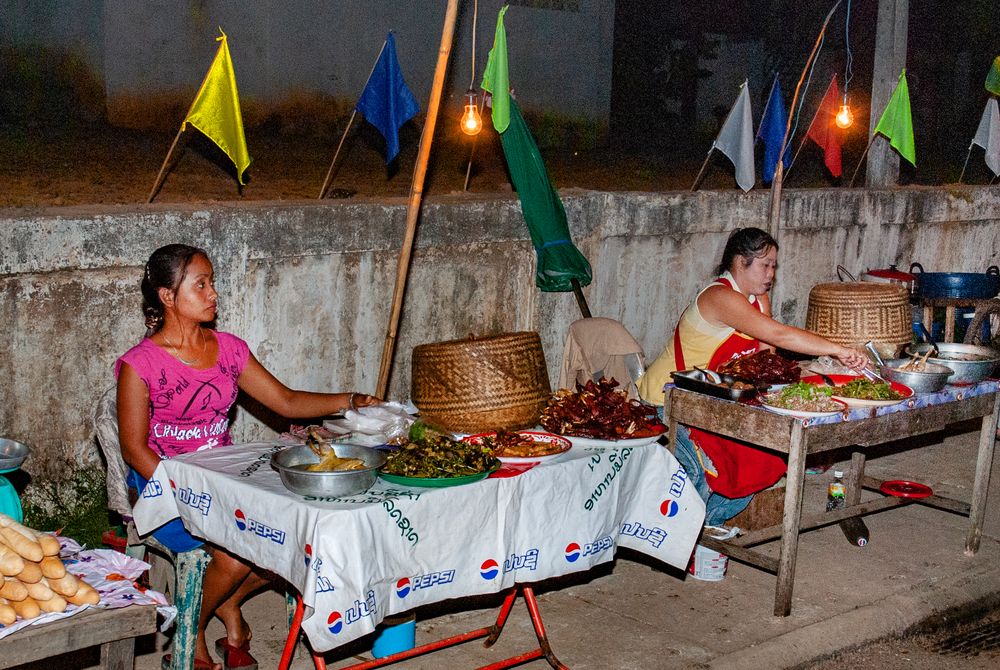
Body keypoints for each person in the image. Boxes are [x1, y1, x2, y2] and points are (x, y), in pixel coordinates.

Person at [116, 244, 379, 670]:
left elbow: (286, 401)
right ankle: (194, 628)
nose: (213, 293)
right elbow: (134, 447)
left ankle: (218, 605)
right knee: (238, 553)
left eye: (212, 282)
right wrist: (181, 492)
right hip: (161, 482)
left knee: (292, 537)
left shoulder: (229, 349)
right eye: (200, 285)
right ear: (168, 296)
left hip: (223, 473)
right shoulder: (140, 365)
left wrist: (351, 400)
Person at [638, 227, 868, 525]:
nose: (771, 273)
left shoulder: (759, 300)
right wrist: (837, 350)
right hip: (665, 400)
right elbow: (777, 333)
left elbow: (766, 361)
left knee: (763, 461)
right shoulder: (720, 297)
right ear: (739, 262)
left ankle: (702, 528)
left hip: (712, 400)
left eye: (774, 266)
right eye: (764, 265)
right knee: (703, 471)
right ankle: (678, 531)